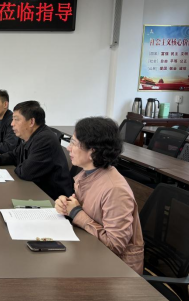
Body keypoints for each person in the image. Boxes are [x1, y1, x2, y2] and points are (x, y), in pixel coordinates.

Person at [55, 117, 144, 274]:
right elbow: (88, 210)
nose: (68, 148)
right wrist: (66, 205)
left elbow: (115, 246)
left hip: (116, 270)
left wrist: (75, 212)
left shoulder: (115, 190)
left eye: (74, 143)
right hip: (91, 253)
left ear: (92, 151)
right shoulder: (88, 174)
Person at [0, 100, 72, 200]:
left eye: (16, 120)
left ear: (31, 122)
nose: (12, 124)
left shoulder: (44, 140)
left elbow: (26, 172)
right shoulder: (31, 135)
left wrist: (19, 165)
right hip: (36, 189)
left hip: (53, 199)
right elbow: (14, 155)